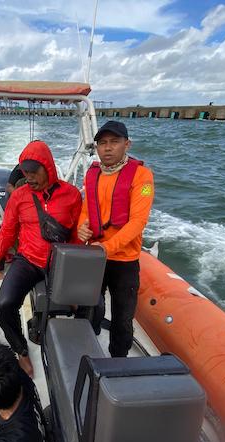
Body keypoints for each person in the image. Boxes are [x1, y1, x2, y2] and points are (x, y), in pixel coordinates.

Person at [0, 140, 82, 377]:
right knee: (3, 305)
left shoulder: (72, 195)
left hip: (61, 262)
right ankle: (21, 350)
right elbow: (6, 232)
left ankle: (76, 351)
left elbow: (76, 238)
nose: (30, 176)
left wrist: (75, 276)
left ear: (49, 167)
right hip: (28, 260)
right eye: (26, 172)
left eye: (35, 171)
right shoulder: (19, 196)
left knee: (86, 304)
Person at [77, 120, 154, 357]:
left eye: (114, 142)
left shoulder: (142, 177)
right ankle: (84, 352)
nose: (107, 148)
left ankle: (117, 362)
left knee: (122, 319)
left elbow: (138, 222)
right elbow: (86, 212)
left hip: (124, 261)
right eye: (102, 143)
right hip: (96, 257)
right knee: (87, 309)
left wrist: (107, 248)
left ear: (127, 144)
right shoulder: (92, 176)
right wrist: (82, 228)